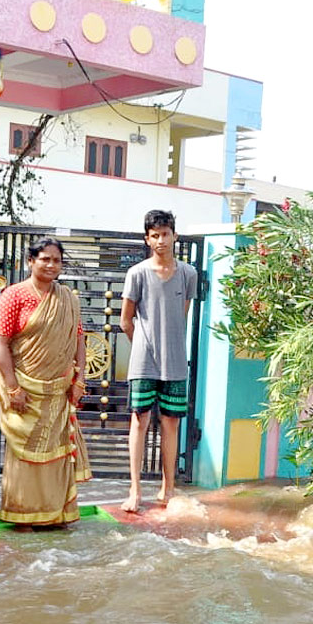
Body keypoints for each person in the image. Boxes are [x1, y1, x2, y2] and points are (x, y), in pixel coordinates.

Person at [0, 237, 91, 527]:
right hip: (24, 388)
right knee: (25, 456)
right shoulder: (14, 295)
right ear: (30, 261)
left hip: (59, 390)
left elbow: (78, 339)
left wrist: (80, 379)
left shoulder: (68, 299)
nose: (51, 265)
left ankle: (55, 514)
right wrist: (13, 388)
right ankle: (22, 514)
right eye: (45, 258)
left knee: (57, 456)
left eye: (56, 260)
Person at [119, 209, 198, 513]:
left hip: (176, 362)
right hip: (143, 362)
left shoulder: (188, 274)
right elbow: (127, 321)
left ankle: (168, 489)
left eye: (166, 234)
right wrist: (142, 346)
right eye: (155, 235)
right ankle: (135, 491)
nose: (161, 240)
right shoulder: (136, 273)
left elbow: (182, 314)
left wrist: (168, 344)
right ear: (147, 239)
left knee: (171, 423)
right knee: (139, 421)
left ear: (174, 236)